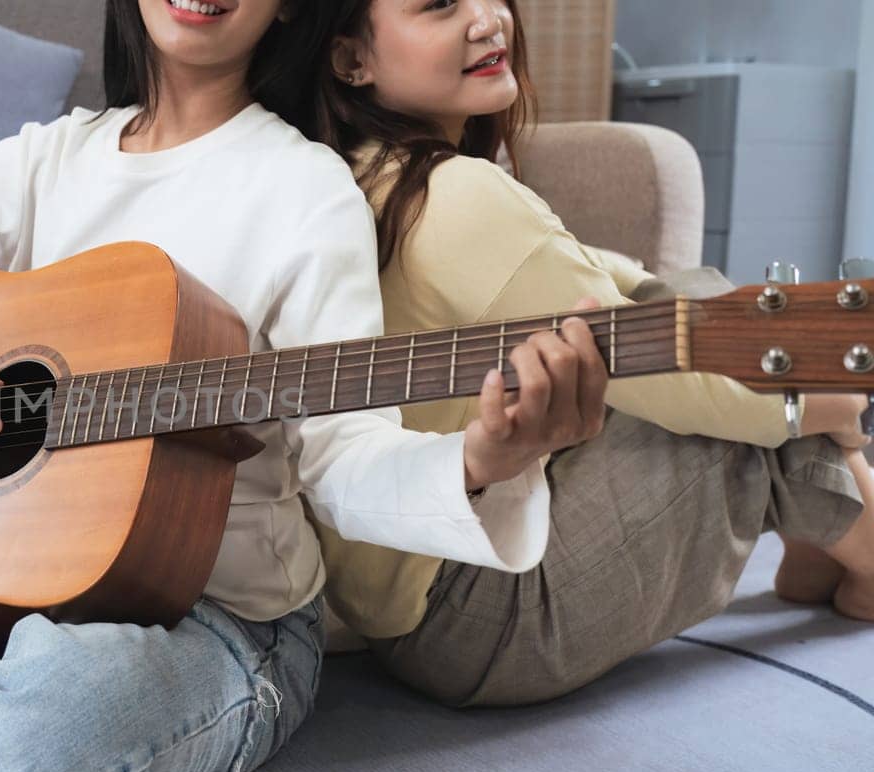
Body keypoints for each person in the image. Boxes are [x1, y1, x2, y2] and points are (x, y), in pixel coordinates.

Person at [0, 1, 611, 772]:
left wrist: (489, 460)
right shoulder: (48, 159)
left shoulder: (303, 191)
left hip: (217, 619)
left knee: (54, 719)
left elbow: (338, 459)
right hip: (26, 577)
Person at [308, 0, 874, 709]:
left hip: (416, 601)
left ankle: (825, 545)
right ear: (350, 60)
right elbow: (683, 386)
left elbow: (579, 269)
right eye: (440, 5)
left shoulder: (372, 176)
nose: (488, 20)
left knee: (695, 304)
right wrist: (832, 403)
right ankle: (861, 542)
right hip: (479, 615)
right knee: (730, 400)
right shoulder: (450, 198)